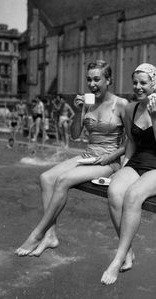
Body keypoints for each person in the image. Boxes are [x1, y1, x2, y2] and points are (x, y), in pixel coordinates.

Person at [15, 59, 128, 257]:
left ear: (108, 80)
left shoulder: (121, 105)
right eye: (89, 80)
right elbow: (75, 135)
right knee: (45, 178)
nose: (92, 85)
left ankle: (37, 233)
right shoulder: (88, 103)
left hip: (109, 161)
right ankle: (50, 236)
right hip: (88, 154)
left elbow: (132, 142)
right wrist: (78, 112)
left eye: (97, 79)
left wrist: (113, 156)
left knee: (63, 180)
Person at [101, 63, 156, 285]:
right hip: (137, 162)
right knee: (114, 192)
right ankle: (128, 251)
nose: (138, 87)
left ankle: (117, 259)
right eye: (135, 82)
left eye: (144, 82)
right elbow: (131, 142)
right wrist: (124, 169)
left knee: (133, 196)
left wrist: (155, 118)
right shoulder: (129, 108)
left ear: (154, 83)